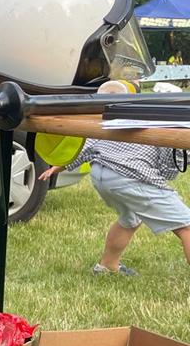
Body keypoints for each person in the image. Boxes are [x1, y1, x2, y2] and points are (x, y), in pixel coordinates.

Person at [39, 80, 190, 275]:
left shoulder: (110, 120)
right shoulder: (164, 123)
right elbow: (170, 167)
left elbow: (88, 146)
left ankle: (107, 266)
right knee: (186, 226)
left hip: (101, 175)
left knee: (130, 219)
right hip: (129, 178)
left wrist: (61, 165)